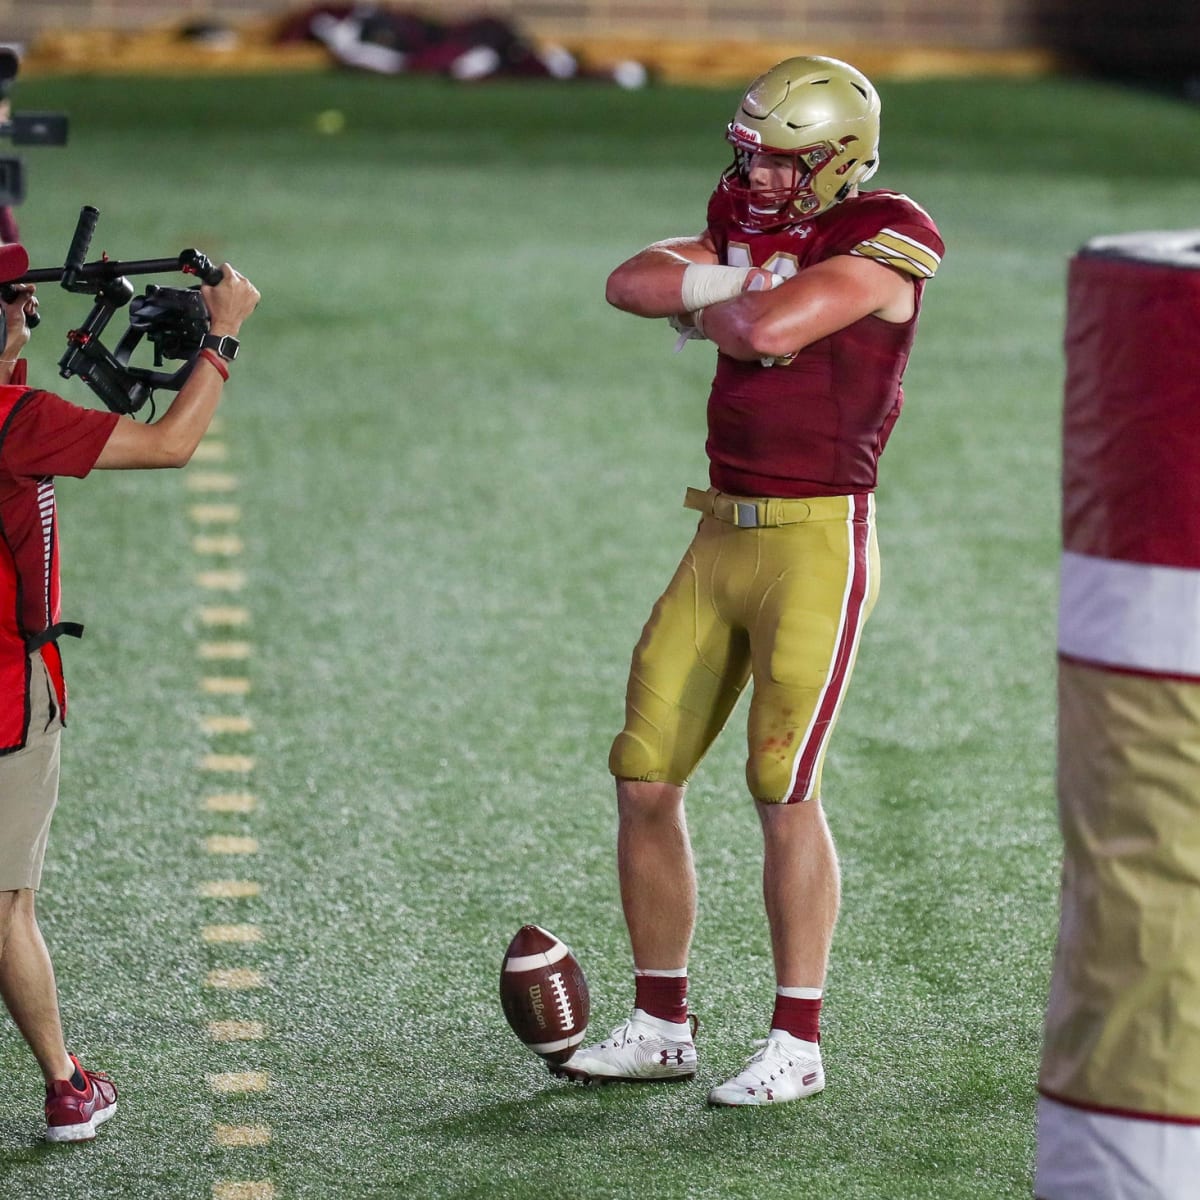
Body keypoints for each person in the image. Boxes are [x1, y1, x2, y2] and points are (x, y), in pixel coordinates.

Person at [555, 56, 943, 1105]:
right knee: (643, 773)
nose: (756, 176)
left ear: (837, 160)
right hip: (720, 529)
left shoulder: (887, 234)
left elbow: (773, 331)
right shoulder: (746, 218)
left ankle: (797, 1041)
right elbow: (630, 280)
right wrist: (733, 283)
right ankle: (661, 1022)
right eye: (753, 155)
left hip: (819, 542)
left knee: (781, 789)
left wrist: (719, 302)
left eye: (781, 161)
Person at [0, 240, 260, 1141]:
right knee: (6, 904)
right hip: (4, 698)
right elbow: (171, 442)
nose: (32, 314)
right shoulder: (14, 419)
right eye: (18, 305)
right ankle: (67, 1085)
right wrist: (220, 338)